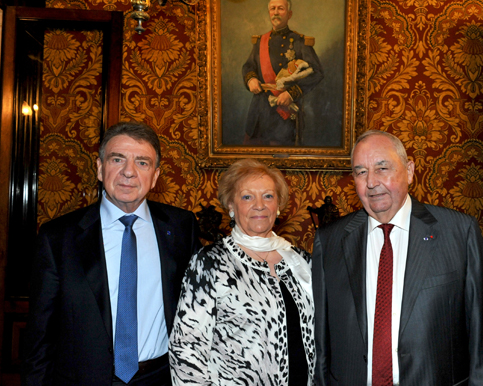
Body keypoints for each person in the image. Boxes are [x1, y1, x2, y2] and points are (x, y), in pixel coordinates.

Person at [312, 130, 483, 385]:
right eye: (360, 172)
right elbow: (321, 344)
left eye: (382, 168)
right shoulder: (330, 241)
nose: (371, 182)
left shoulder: (458, 232)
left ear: (410, 171)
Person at [21, 122, 202, 386]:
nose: (128, 172)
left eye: (142, 163)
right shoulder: (58, 237)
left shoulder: (181, 227)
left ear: (155, 176)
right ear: (99, 167)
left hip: (162, 378)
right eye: (118, 159)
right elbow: (39, 336)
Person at [169, 159, 315, 385]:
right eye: (247, 197)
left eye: (268, 196)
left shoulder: (302, 261)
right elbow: (187, 349)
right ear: (231, 206)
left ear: (278, 205)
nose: (260, 205)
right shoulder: (210, 263)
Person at [242, 0, 323, 147]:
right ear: (269, 13)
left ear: (289, 14)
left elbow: (316, 73)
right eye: (273, 9)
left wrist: (292, 93)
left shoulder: (300, 42)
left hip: (284, 114)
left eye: (281, 9)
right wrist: (251, 79)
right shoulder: (260, 42)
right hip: (259, 112)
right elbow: (248, 66)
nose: (276, 12)